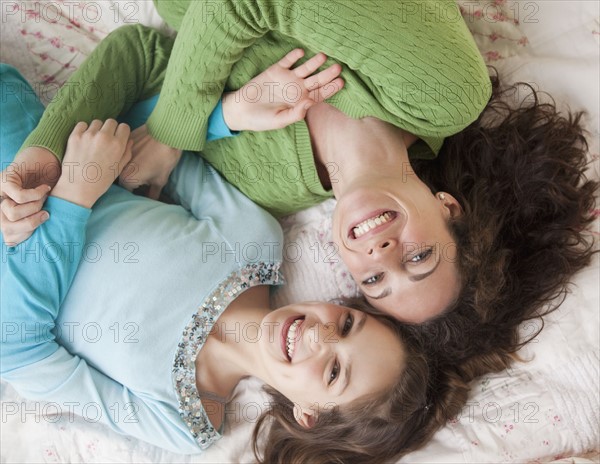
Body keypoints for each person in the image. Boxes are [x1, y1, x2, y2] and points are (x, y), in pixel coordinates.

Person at [0, 64, 470, 463]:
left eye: (332, 372)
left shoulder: (180, 421)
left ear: (307, 412)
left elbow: (15, 349)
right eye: (347, 325)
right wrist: (229, 114)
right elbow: (147, 136)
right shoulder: (252, 239)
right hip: (18, 139)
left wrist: (75, 197)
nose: (318, 335)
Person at [1, 0, 493, 323]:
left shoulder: (266, 187)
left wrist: (44, 149)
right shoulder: (446, 96)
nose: (383, 253)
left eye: (374, 280)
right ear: (448, 207)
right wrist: (176, 130)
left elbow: (143, 56)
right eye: (418, 257)